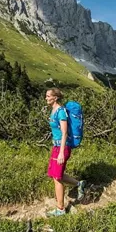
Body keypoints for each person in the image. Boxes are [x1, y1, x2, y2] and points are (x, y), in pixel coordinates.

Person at [45, 88, 86, 217]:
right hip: (56, 147)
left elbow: (64, 133)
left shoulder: (61, 112)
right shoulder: (54, 110)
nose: (46, 98)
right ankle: (79, 184)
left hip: (62, 148)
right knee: (55, 174)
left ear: (55, 97)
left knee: (57, 178)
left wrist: (61, 153)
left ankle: (60, 209)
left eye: (48, 96)